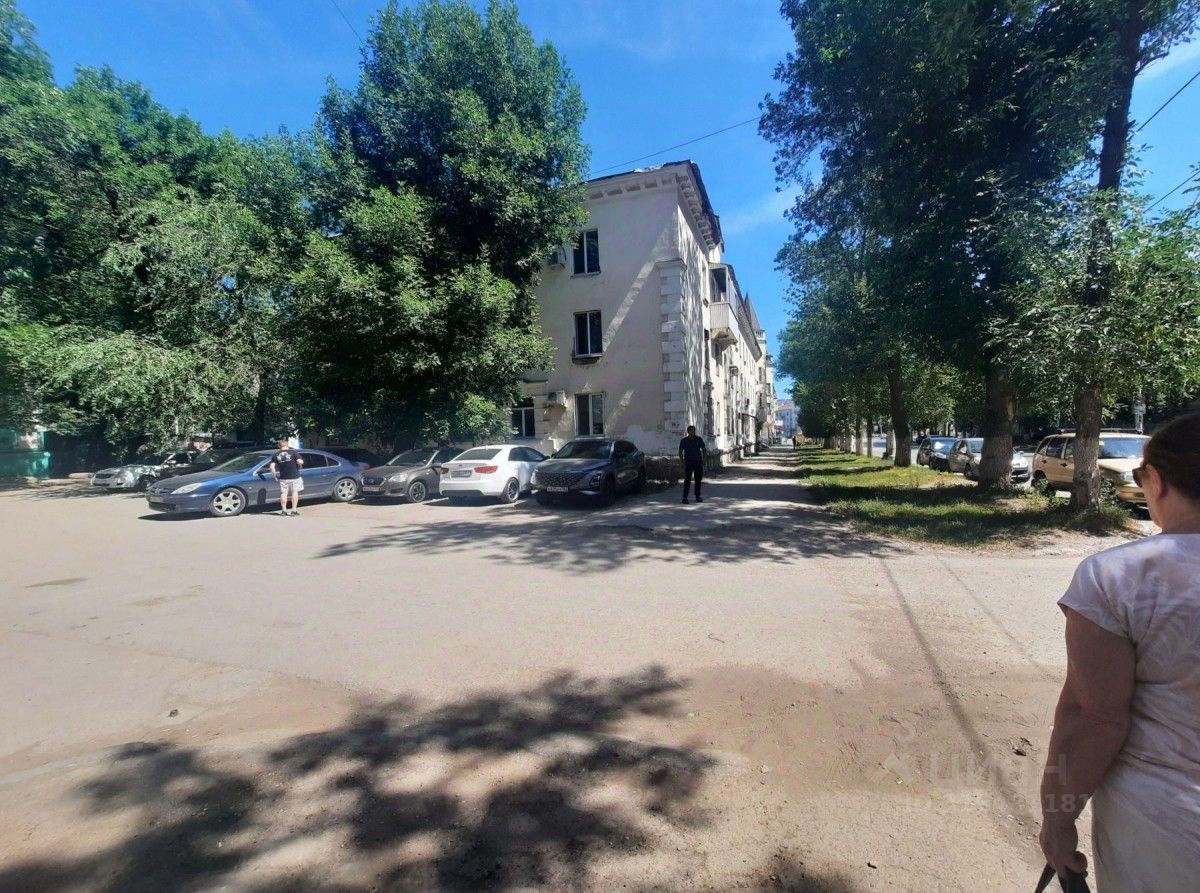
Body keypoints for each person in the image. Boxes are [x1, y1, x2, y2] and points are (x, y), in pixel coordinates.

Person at [1039, 412, 1200, 889]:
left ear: (1156, 481)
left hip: (1165, 830)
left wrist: (1057, 819)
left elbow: (1095, 717)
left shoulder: (1119, 577)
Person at [268, 437, 304, 516]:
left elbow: (271, 467)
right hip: (295, 476)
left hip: (283, 477)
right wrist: (300, 464)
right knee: (295, 492)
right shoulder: (293, 452)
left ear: (279, 446)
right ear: (287, 445)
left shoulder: (275, 454)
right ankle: (293, 510)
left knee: (283, 493)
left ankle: (283, 511)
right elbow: (300, 461)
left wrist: (275, 476)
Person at [679, 425, 707, 504]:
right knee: (687, 480)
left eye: (693, 430)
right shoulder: (684, 441)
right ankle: (685, 497)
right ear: (688, 431)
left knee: (698, 480)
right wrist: (682, 461)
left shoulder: (698, 439)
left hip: (698, 462)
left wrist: (704, 460)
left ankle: (697, 496)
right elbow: (680, 451)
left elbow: (704, 449)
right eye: (691, 430)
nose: (692, 431)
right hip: (688, 462)